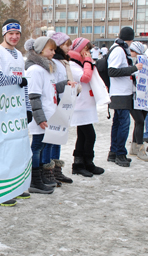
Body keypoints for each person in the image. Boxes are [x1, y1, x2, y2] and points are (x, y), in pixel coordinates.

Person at [0, 19, 31, 205]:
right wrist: (15, 81)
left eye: (17, 34)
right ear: (4, 34)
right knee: (1, 148)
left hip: (16, 107)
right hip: (0, 107)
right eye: (11, 33)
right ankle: (0, 192)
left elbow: (24, 83)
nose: (14, 37)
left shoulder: (19, 55)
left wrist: (27, 107)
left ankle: (15, 186)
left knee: (15, 148)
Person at [24, 36, 59, 193]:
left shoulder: (47, 68)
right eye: (50, 49)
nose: (53, 52)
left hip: (48, 116)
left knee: (44, 145)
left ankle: (40, 177)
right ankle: (34, 180)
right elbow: (33, 95)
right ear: (40, 50)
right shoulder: (35, 70)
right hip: (41, 118)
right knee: (37, 146)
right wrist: (40, 118)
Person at [107, 27, 143, 167]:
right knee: (123, 124)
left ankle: (114, 152)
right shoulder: (119, 50)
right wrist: (134, 69)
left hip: (121, 91)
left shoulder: (118, 49)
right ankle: (120, 153)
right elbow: (112, 71)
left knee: (118, 123)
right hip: (120, 92)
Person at [68, 38, 104, 176]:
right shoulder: (73, 64)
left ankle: (81, 163)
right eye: (86, 49)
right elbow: (85, 77)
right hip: (80, 105)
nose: (88, 53)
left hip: (86, 104)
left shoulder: (80, 63)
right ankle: (85, 162)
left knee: (83, 136)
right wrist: (88, 61)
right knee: (90, 135)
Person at [43, 31, 75, 185]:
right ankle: (49, 170)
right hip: (56, 102)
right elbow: (54, 83)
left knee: (58, 138)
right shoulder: (54, 62)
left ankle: (56, 170)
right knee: (52, 138)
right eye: (65, 45)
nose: (68, 48)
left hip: (64, 102)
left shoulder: (63, 61)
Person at [127, 41, 148, 162]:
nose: (130, 53)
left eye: (133, 51)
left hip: (143, 96)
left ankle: (134, 147)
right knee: (140, 121)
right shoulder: (130, 62)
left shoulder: (145, 63)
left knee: (139, 121)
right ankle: (140, 148)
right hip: (133, 96)